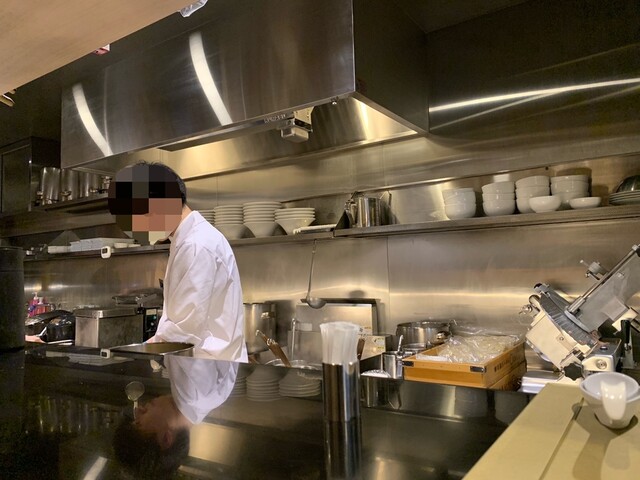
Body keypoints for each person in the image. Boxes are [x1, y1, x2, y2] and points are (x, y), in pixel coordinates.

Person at [108, 162, 247, 361]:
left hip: (207, 368)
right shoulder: (186, 239)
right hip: (200, 366)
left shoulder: (196, 244)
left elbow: (185, 328)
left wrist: (144, 352)